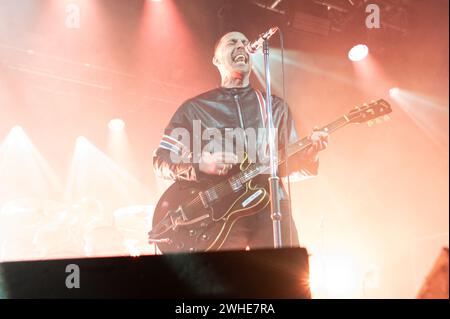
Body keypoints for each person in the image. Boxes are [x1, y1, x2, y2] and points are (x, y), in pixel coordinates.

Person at [152, 31, 328, 250]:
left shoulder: (276, 107)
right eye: (232, 42)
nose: (242, 46)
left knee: (285, 280)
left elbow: (286, 168)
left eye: (245, 42)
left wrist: (309, 156)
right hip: (219, 212)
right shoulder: (194, 109)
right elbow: (160, 161)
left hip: (272, 206)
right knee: (226, 281)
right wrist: (200, 166)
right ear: (216, 60)